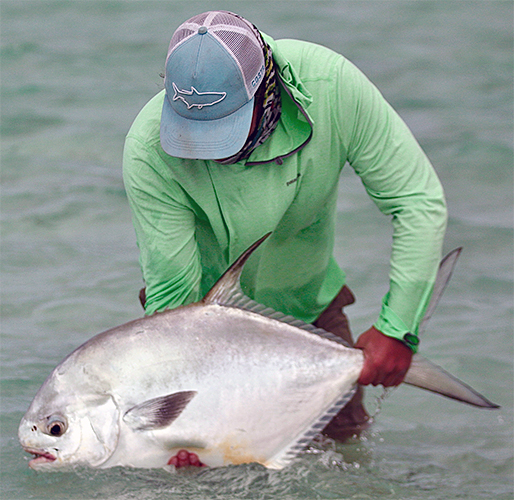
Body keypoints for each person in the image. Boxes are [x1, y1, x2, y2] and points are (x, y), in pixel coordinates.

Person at [122, 11, 447, 466]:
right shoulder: (146, 149)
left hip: (312, 313)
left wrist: (398, 327)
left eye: (225, 131)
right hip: (200, 333)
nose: (213, 153)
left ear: (268, 89)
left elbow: (417, 201)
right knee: (197, 478)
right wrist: (183, 416)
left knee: (349, 467)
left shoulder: (331, 84)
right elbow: (173, 297)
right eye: (195, 135)